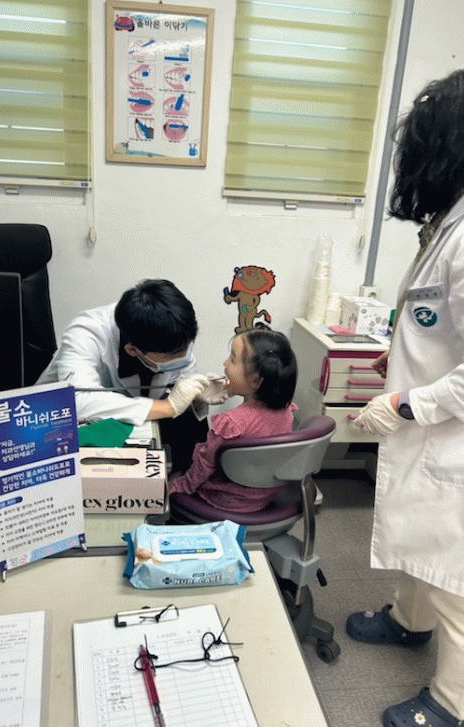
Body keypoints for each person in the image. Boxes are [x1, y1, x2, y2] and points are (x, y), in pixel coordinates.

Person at [348, 69, 464, 727]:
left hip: (451, 431)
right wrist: (397, 356)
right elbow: (437, 324)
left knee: (455, 573)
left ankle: (451, 702)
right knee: (423, 538)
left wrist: (405, 403)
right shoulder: (450, 224)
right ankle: (407, 620)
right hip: (433, 427)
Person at [38, 279, 226, 470]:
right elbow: (78, 401)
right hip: (55, 426)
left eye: (186, 349)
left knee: (191, 425)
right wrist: (168, 406)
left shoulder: (172, 336)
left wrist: (196, 398)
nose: (183, 358)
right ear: (132, 350)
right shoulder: (87, 332)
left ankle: (185, 482)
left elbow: (178, 386)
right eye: (172, 356)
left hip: (122, 419)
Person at [168, 327, 297, 513]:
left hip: (226, 499)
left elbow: (204, 465)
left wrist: (180, 485)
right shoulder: (287, 410)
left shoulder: (231, 423)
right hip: (263, 497)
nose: (225, 363)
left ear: (256, 381)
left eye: (233, 359)